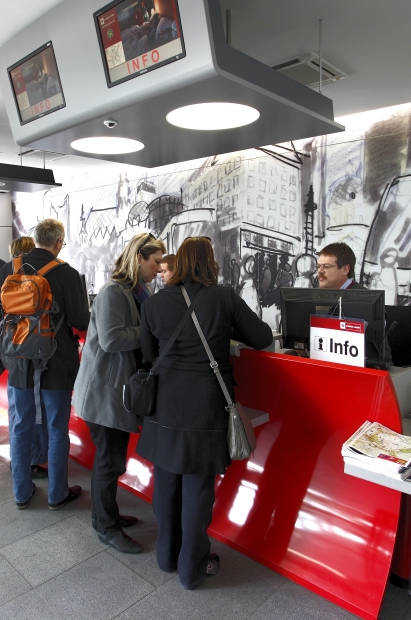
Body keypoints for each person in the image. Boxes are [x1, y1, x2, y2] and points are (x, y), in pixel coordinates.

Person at [137, 236, 272, 589]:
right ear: (209, 262)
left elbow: (149, 356)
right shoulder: (223, 297)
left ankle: (166, 557)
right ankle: (192, 568)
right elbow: (261, 337)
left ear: (178, 262)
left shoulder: (153, 303)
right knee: (198, 489)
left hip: (163, 406)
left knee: (165, 483)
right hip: (205, 406)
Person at [74, 233, 166, 554]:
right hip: (104, 392)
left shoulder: (137, 291)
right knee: (108, 463)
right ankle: (106, 527)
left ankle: (106, 514)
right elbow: (112, 339)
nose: (158, 269)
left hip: (113, 391)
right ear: (139, 257)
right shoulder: (115, 292)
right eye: (155, 262)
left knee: (112, 461)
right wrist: (153, 330)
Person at [0, 219, 90, 510]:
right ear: (58, 242)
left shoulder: (10, 268)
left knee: (20, 424)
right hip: (56, 361)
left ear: (34, 240)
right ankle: (57, 494)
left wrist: (21, 335)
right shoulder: (66, 273)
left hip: (19, 362)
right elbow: (80, 321)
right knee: (57, 427)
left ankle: (21, 492)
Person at [7, 235, 48, 479]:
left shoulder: (6, 271)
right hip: (33, 351)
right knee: (33, 413)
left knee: (18, 411)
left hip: (13, 350)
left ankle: (20, 460)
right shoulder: (42, 275)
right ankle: (30, 462)